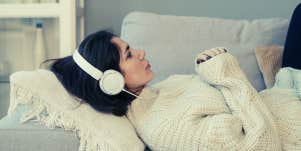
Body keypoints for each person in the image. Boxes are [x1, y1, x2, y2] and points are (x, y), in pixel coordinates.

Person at [49, 3, 301, 151]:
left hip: (286, 88)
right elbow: (262, 145)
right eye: (128, 54)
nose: (140, 52)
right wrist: (225, 72)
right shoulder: (164, 127)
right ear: (112, 81)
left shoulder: (161, 90)